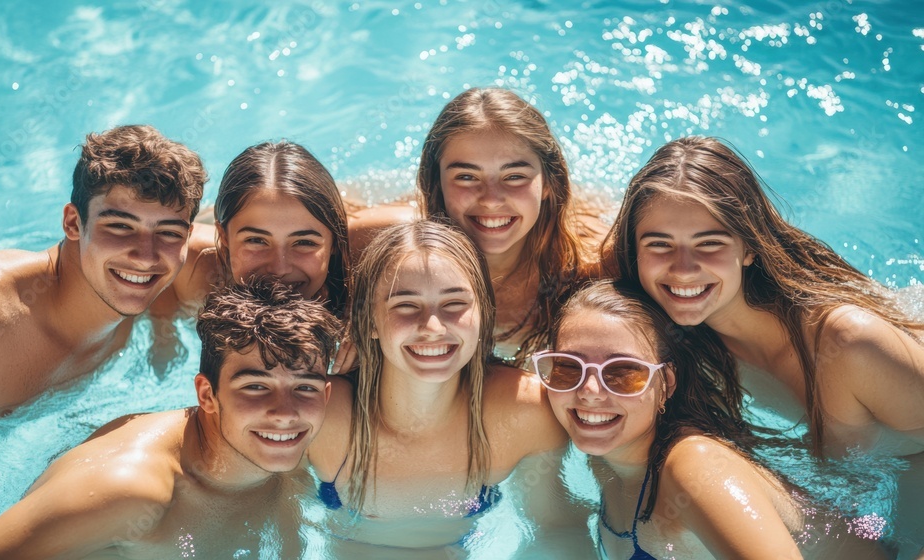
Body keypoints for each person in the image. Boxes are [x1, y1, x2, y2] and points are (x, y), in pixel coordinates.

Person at [602, 136, 924, 556]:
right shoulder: (674, 335)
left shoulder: (851, 343)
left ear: (750, 246)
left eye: (710, 242)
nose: (683, 268)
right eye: (660, 244)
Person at [0, 280, 341, 559]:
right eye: (255, 387)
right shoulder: (127, 492)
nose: (285, 413)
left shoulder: (294, 456)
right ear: (207, 394)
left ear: (325, 396)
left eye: (304, 388)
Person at [539, 280, 889, 559]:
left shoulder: (695, 470)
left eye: (623, 373)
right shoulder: (605, 460)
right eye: (567, 368)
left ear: (666, 385)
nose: (590, 391)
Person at [307, 220, 592, 554]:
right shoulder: (322, 416)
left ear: (484, 314)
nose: (432, 326)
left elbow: (555, 533)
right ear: (369, 320)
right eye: (406, 305)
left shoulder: (522, 414)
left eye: (455, 303)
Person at [0, 124, 206, 421]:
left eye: (168, 232)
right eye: (120, 226)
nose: (145, 258)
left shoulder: (141, 282)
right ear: (72, 223)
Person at [349, 87, 606, 366]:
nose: (491, 200)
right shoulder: (381, 241)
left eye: (515, 176)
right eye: (467, 176)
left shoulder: (592, 264)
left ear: (548, 183)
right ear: (436, 183)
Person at [154, 140, 356, 371]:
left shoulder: (362, 257)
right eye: (256, 240)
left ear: (335, 241)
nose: (279, 269)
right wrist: (163, 335)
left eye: (304, 242)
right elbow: (160, 298)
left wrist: (365, 317)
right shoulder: (193, 266)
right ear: (225, 238)